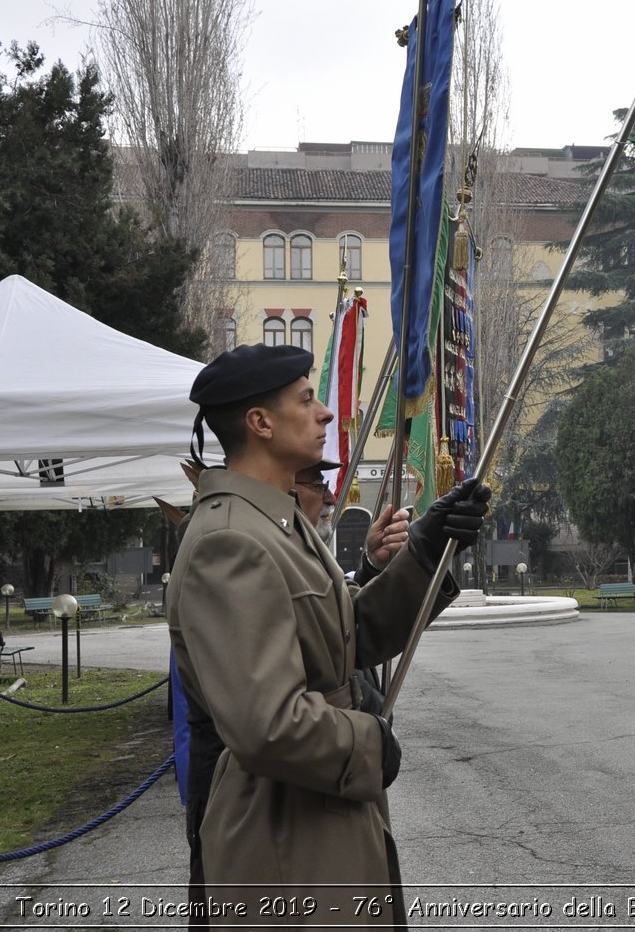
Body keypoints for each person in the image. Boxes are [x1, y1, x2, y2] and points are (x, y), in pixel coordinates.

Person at [167, 343, 490, 926]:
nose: (323, 415)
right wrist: (368, 744)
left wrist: (425, 551)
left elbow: (348, 634)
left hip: (319, 809)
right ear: (260, 423)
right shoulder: (229, 541)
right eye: (306, 399)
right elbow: (266, 725)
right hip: (285, 831)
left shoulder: (277, 523)